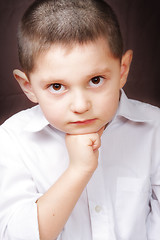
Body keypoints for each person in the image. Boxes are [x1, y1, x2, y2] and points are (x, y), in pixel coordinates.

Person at [0, 0, 160, 239]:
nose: (80, 106)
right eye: (57, 86)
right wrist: (78, 170)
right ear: (28, 86)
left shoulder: (154, 128)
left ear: (123, 70)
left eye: (96, 80)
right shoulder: (12, 139)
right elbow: (16, 235)